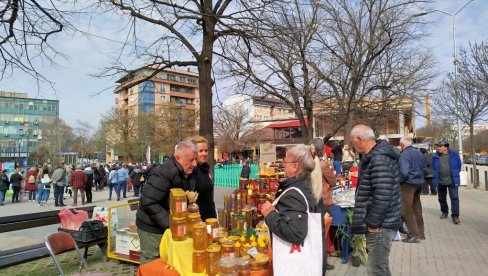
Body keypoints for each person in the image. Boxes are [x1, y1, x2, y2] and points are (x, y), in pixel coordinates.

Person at [349, 124, 402, 276]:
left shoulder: (378, 159)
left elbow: (383, 195)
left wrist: (372, 224)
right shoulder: (376, 156)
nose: (353, 146)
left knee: (376, 269)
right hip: (382, 223)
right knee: (381, 268)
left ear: (359, 139)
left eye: (353, 142)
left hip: (381, 226)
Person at [136, 141, 198, 264]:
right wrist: (172, 223)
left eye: (195, 160)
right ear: (178, 158)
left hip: (167, 225)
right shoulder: (164, 172)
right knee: (152, 264)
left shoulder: (185, 172)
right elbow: (148, 202)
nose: (195, 164)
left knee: (167, 263)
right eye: (191, 160)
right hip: (151, 228)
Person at [261, 144, 319, 272]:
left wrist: (270, 214)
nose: (283, 164)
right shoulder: (305, 184)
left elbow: (296, 233)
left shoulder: (294, 193)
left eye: (285, 161)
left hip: (295, 267)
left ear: (295, 166)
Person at [309, 138, 336, 273]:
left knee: (314, 232)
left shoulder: (307, 164)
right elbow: (333, 182)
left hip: (311, 201)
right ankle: (323, 262)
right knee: (323, 233)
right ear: (322, 150)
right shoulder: (324, 164)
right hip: (324, 201)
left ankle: (315, 260)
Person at [399, 137, 426, 243]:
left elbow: (404, 172)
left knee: (405, 209)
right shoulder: (418, 152)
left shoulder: (404, 154)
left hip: (408, 184)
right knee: (417, 208)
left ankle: (414, 234)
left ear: (402, 145)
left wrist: (398, 181)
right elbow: (424, 168)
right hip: (419, 183)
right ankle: (421, 233)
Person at [432, 139, 462, 225]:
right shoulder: (435, 156)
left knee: (455, 198)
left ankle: (455, 216)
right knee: (441, 198)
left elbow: (458, 166)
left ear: (446, 147)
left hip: (452, 181)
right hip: (440, 181)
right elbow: (434, 169)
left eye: (440, 146)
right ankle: (444, 212)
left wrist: (454, 175)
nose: (438, 148)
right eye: (438, 146)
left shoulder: (454, 155)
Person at [188, 136, 217, 221]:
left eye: (206, 150)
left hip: (210, 218)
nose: (204, 153)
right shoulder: (192, 171)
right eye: (200, 151)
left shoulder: (205, 169)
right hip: (199, 220)